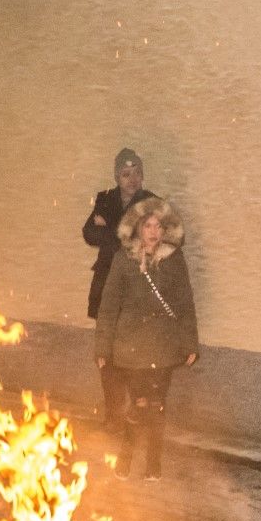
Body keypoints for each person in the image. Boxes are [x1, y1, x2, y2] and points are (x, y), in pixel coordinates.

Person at [94, 197, 197, 480]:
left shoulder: (174, 260)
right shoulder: (123, 259)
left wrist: (189, 343)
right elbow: (109, 305)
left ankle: (153, 461)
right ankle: (126, 456)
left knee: (157, 404)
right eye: (147, 225)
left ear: (165, 231)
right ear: (138, 229)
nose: (153, 231)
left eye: (158, 226)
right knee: (138, 403)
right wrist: (103, 347)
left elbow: (185, 303)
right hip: (131, 346)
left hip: (163, 346)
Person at [83, 148, 155, 430]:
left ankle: (135, 417)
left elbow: (159, 240)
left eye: (137, 172)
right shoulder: (105, 199)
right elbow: (89, 233)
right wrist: (123, 234)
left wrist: (110, 229)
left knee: (134, 356)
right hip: (105, 288)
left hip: (135, 291)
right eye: (126, 174)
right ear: (117, 176)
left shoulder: (152, 204)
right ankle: (113, 417)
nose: (132, 179)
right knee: (107, 356)